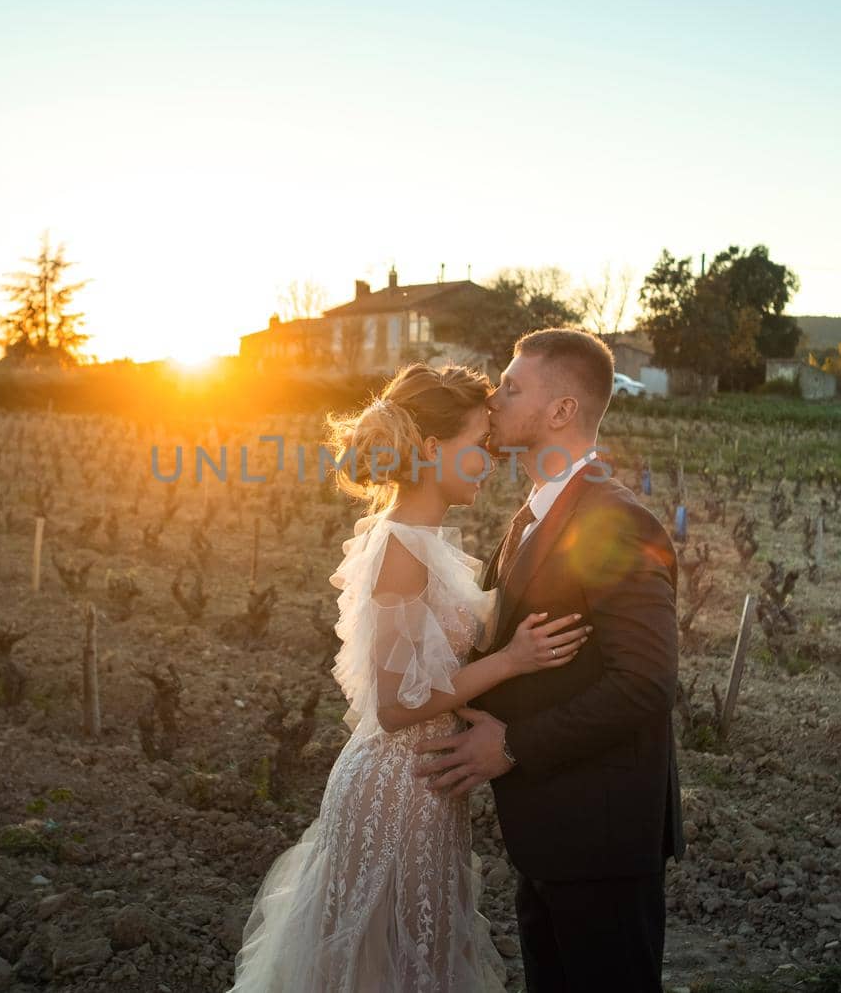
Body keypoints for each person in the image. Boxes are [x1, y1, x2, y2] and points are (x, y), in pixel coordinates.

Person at [228, 362, 590, 993]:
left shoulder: (423, 542)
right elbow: (397, 705)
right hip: (396, 788)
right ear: (431, 449)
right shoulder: (399, 549)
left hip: (425, 786)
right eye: (478, 446)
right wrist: (512, 661)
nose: (489, 460)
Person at [413, 328, 686, 992]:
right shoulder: (533, 515)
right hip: (549, 834)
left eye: (512, 385)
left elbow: (647, 680)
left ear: (562, 411)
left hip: (601, 838)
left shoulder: (614, 520)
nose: (494, 396)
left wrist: (512, 744)